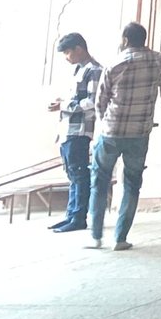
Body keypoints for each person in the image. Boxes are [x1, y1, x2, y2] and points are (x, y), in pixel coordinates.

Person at [88, 22, 161, 250]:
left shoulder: (114, 62)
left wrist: (103, 124)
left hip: (111, 131)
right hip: (139, 133)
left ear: (126, 39)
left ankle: (96, 236)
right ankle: (120, 238)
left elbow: (101, 101)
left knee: (99, 182)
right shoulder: (159, 60)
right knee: (131, 184)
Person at [47, 32, 102, 233]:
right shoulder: (79, 70)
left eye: (68, 52)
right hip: (68, 129)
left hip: (80, 130)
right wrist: (62, 104)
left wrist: (64, 105)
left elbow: (92, 102)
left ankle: (79, 217)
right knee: (72, 173)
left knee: (79, 174)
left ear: (79, 49)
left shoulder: (94, 71)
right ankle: (71, 214)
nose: (67, 57)